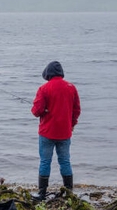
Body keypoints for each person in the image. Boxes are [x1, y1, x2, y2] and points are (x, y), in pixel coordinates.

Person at [31, 61, 81, 201]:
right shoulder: (71, 87)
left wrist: (42, 111)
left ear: (48, 73)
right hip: (65, 132)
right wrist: (72, 124)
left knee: (45, 161)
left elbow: (36, 111)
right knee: (65, 161)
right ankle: (69, 192)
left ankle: (42, 193)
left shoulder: (44, 88)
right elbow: (77, 110)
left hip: (47, 132)